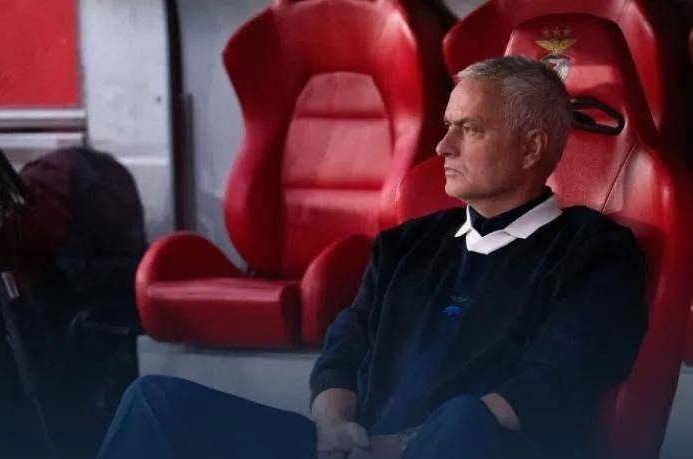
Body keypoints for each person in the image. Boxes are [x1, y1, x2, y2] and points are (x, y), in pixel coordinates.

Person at [96, 56, 647, 459]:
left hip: (469, 449)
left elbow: (553, 383)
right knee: (155, 401)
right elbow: (344, 352)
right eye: (447, 126)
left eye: (470, 129)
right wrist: (334, 429)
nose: (443, 146)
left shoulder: (593, 251)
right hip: (363, 449)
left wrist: (399, 447)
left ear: (531, 147)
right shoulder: (405, 245)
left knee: (463, 419)